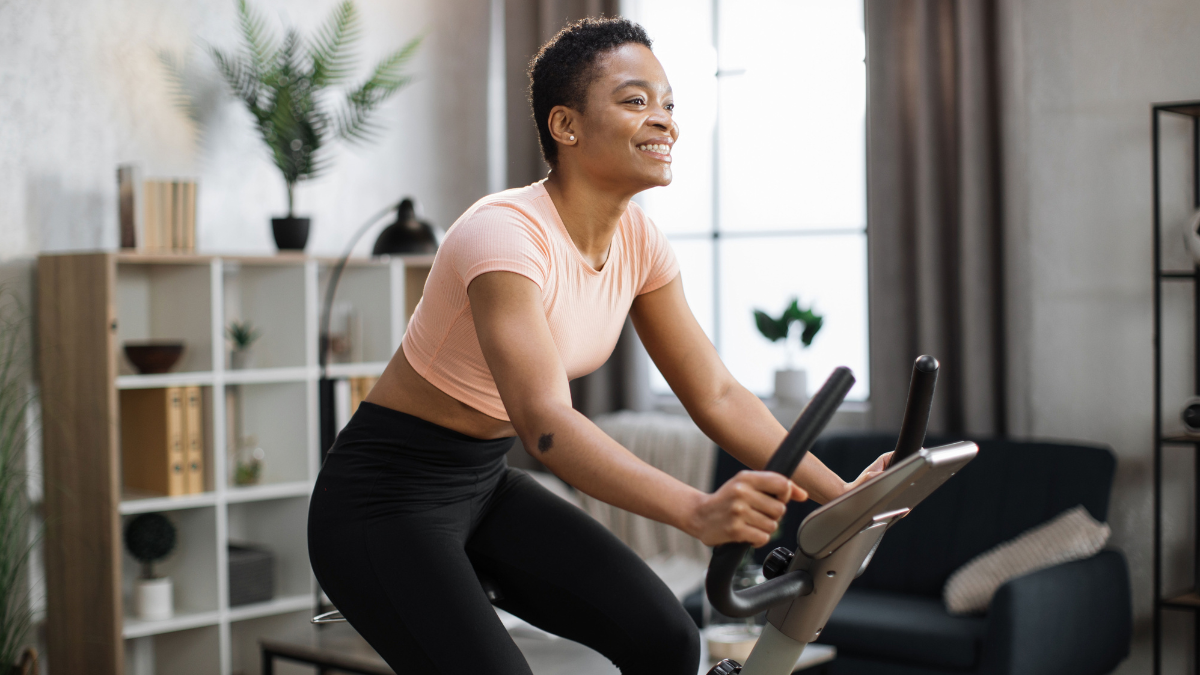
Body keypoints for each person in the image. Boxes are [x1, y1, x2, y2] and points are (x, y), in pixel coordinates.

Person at [307, 16, 889, 675]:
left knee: (668, 640)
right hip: (382, 498)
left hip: (484, 480)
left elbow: (718, 393)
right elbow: (547, 425)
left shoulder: (639, 242)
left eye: (670, 104)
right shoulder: (503, 235)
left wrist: (841, 496)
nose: (665, 121)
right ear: (566, 125)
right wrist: (696, 510)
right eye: (636, 101)